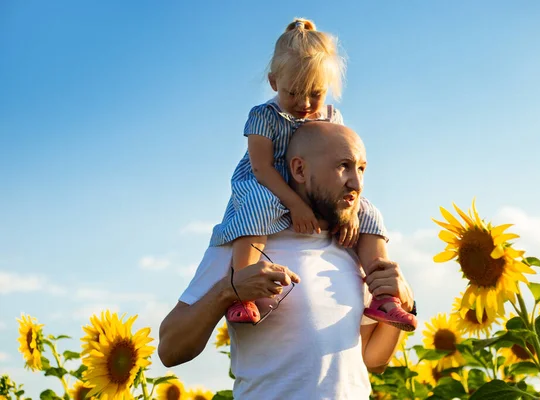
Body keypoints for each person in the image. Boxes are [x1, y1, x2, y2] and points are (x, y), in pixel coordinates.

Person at [158, 122, 416, 399]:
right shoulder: (247, 242)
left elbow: (372, 360)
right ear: (300, 170)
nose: (357, 182)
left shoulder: (354, 249)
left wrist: (407, 303)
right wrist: (229, 291)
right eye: (344, 166)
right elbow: (170, 350)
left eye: (362, 168)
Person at [211, 17, 416, 330]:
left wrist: (347, 215)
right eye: (294, 93)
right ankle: (243, 287)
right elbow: (261, 168)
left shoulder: (331, 117)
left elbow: (338, 161)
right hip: (266, 184)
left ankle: (383, 297)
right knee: (259, 204)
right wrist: (296, 204)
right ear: (273, 82)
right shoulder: (264, 116)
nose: (305, 104)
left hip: (315, 188)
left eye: (316, 94)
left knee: (368, 212)